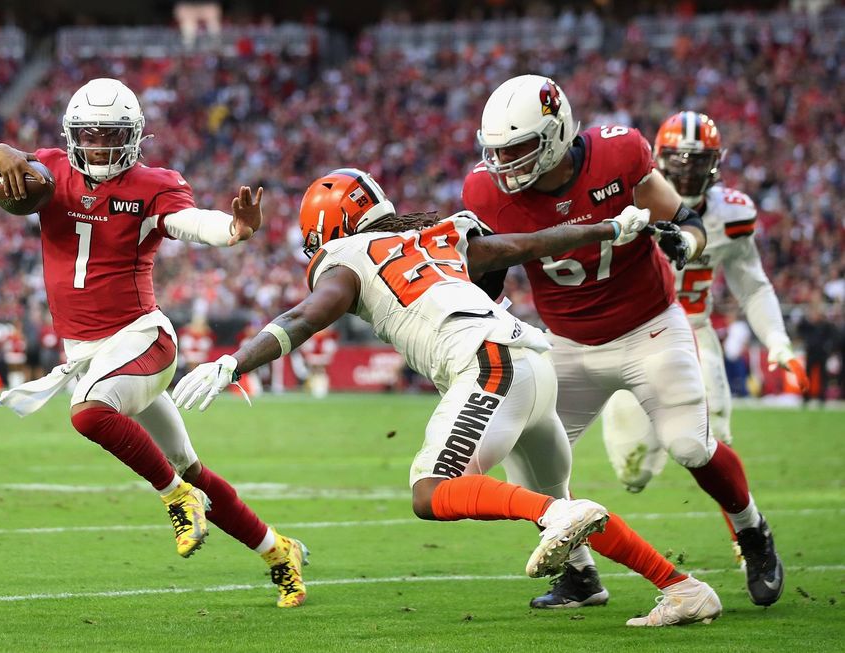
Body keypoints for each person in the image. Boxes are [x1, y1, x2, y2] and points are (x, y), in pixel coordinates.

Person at [174, 167, 721, 627]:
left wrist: (232, 362)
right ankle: (678, 587)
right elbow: (525, 246)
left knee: (432, 492)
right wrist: (610, 228)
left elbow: (305, 316)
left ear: (328, 227)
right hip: (533, 359)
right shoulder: (435, 235)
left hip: (490, 366)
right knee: (559, 505)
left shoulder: (346, 258)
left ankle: (562, 517)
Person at [0, 78, 308, 608]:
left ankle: (174, 497)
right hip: (88, 354)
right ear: (73, 135)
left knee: (89, 414)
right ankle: (279, 552)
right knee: (192, 467)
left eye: (111, 134)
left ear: (135, 136)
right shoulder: (48, 168)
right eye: (90, 134)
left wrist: (233, 229)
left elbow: (188, 223)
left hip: (141, 338)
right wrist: (1, 152)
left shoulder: (151, 184)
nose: (99, 145)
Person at [461, 75, 783, 609]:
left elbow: (686, 218)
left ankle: (752, 530)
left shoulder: (618, 154)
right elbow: (492, 275)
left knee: (689, 444)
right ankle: (582, 577)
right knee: (527, 457)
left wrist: (686, 241)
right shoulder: (484, 190)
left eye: (519, 150)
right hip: (565, 343)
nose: (506, 165)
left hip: (649, 329)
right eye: (497, 153)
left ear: (557, 133)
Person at [599, 112, 809, 563]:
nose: (689, 171)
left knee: (713, 438)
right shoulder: (627, 201)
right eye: (679, 162)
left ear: (716, 164)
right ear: (657, 161)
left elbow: (752, 284)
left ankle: (749, 540)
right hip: (629, 332)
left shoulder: (731, 212)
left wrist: (777, 339)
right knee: (631, 472)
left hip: (691, 328)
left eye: (699, 162)